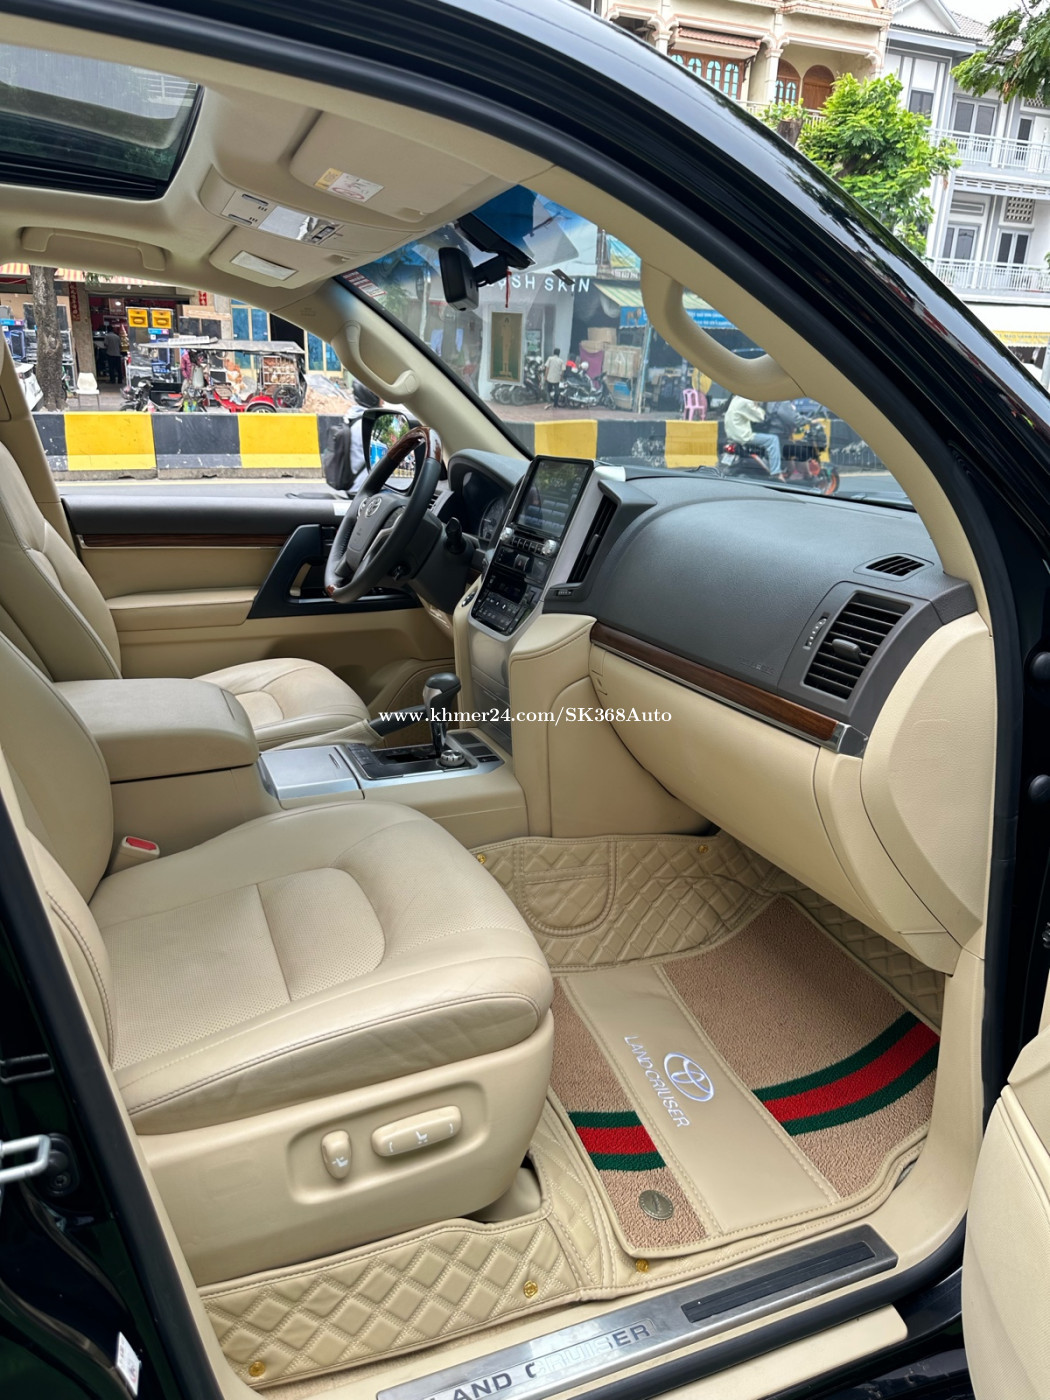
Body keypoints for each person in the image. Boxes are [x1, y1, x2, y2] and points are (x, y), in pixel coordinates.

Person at [724, 394, 781, 477]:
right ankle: (776, 472)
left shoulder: (736, 398)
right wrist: (757, 405)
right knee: (773, 439)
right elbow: (761, 417)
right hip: (742, 436)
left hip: (732, 435)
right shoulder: (746, 401)